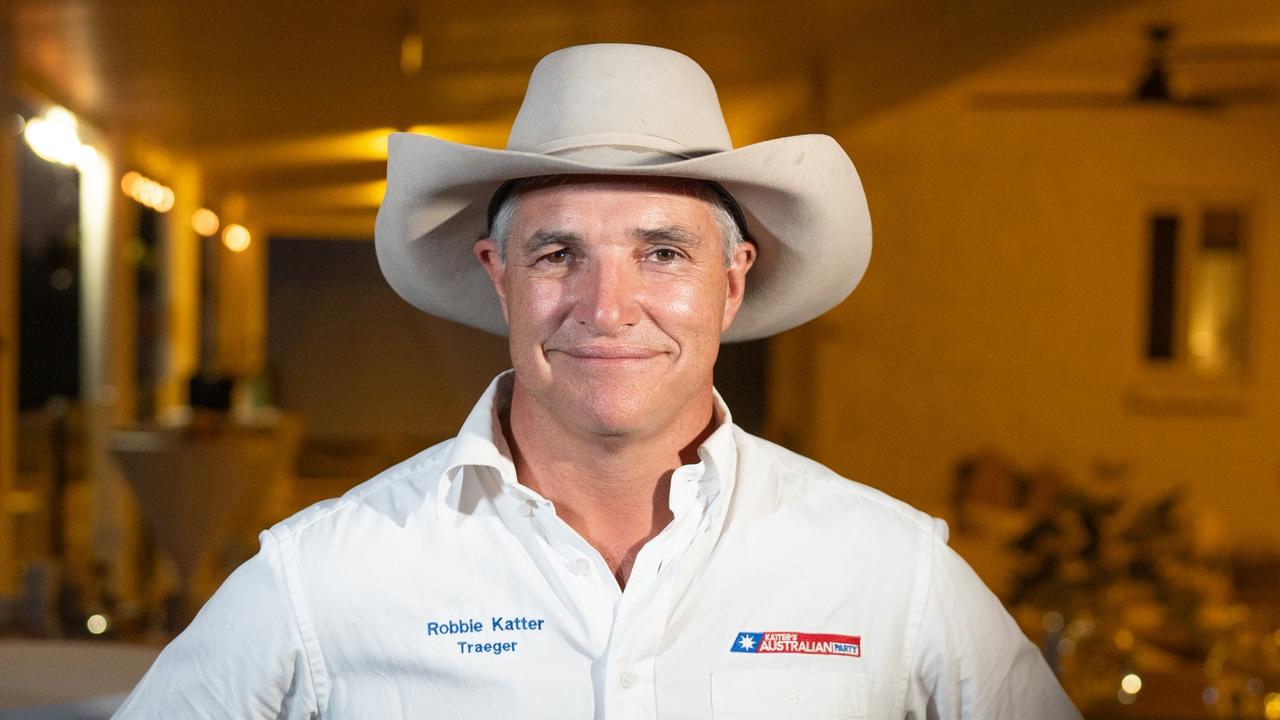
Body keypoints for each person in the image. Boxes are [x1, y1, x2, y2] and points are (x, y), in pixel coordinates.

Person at [116, 44, 1081, 719]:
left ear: (732, 279)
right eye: (557, 254)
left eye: (662, 252)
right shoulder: (325, 573)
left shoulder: (888, 568)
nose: (606, 306)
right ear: (499, 276)